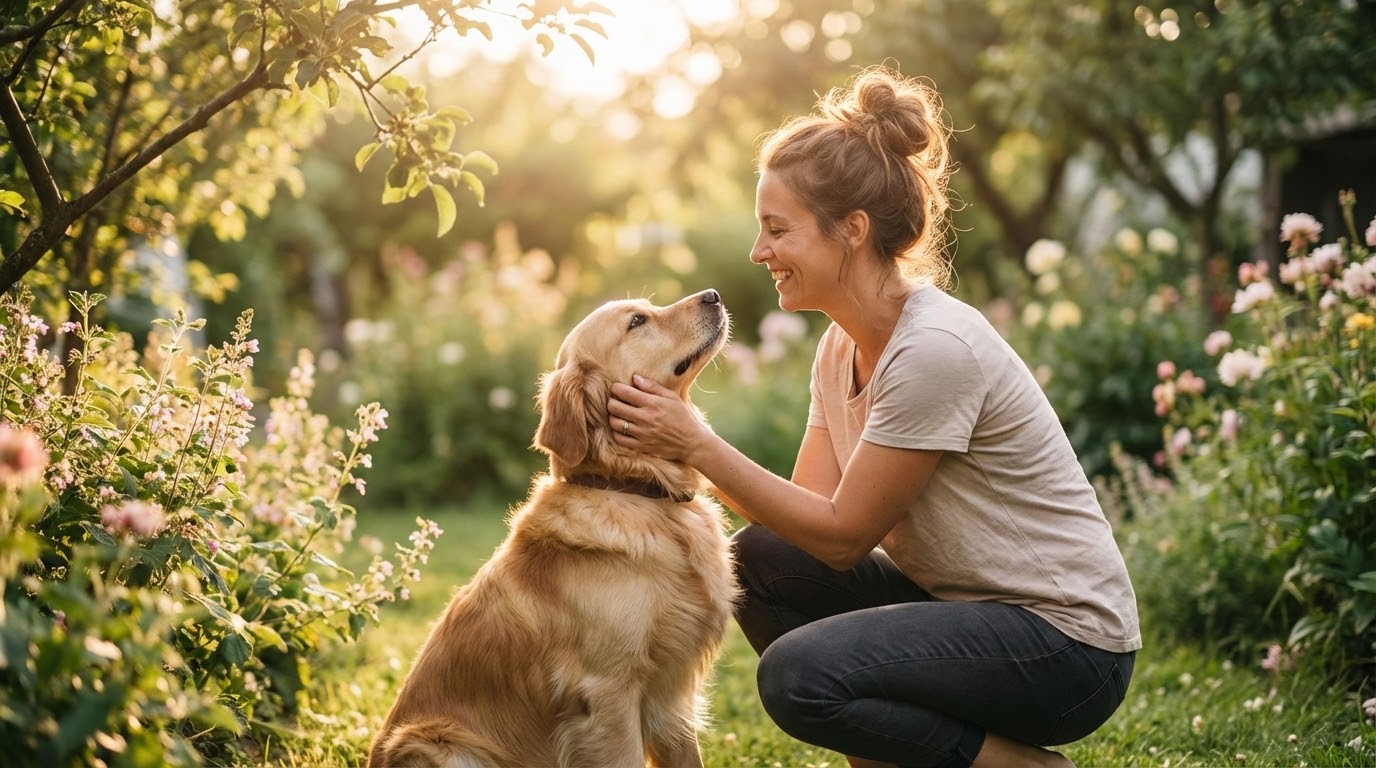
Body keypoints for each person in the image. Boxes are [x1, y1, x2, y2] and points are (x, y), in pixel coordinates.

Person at [606, 65, 1140, 768]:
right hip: (963, 607)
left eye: (777, 230)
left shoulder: (933, 351)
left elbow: (842, 539)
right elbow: (800, 523)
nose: (758, 252)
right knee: (762, 561)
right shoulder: (841, 347)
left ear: (851, 230)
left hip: (1066, 647)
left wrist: (698, 444)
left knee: (800, 676)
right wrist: (681, 446)